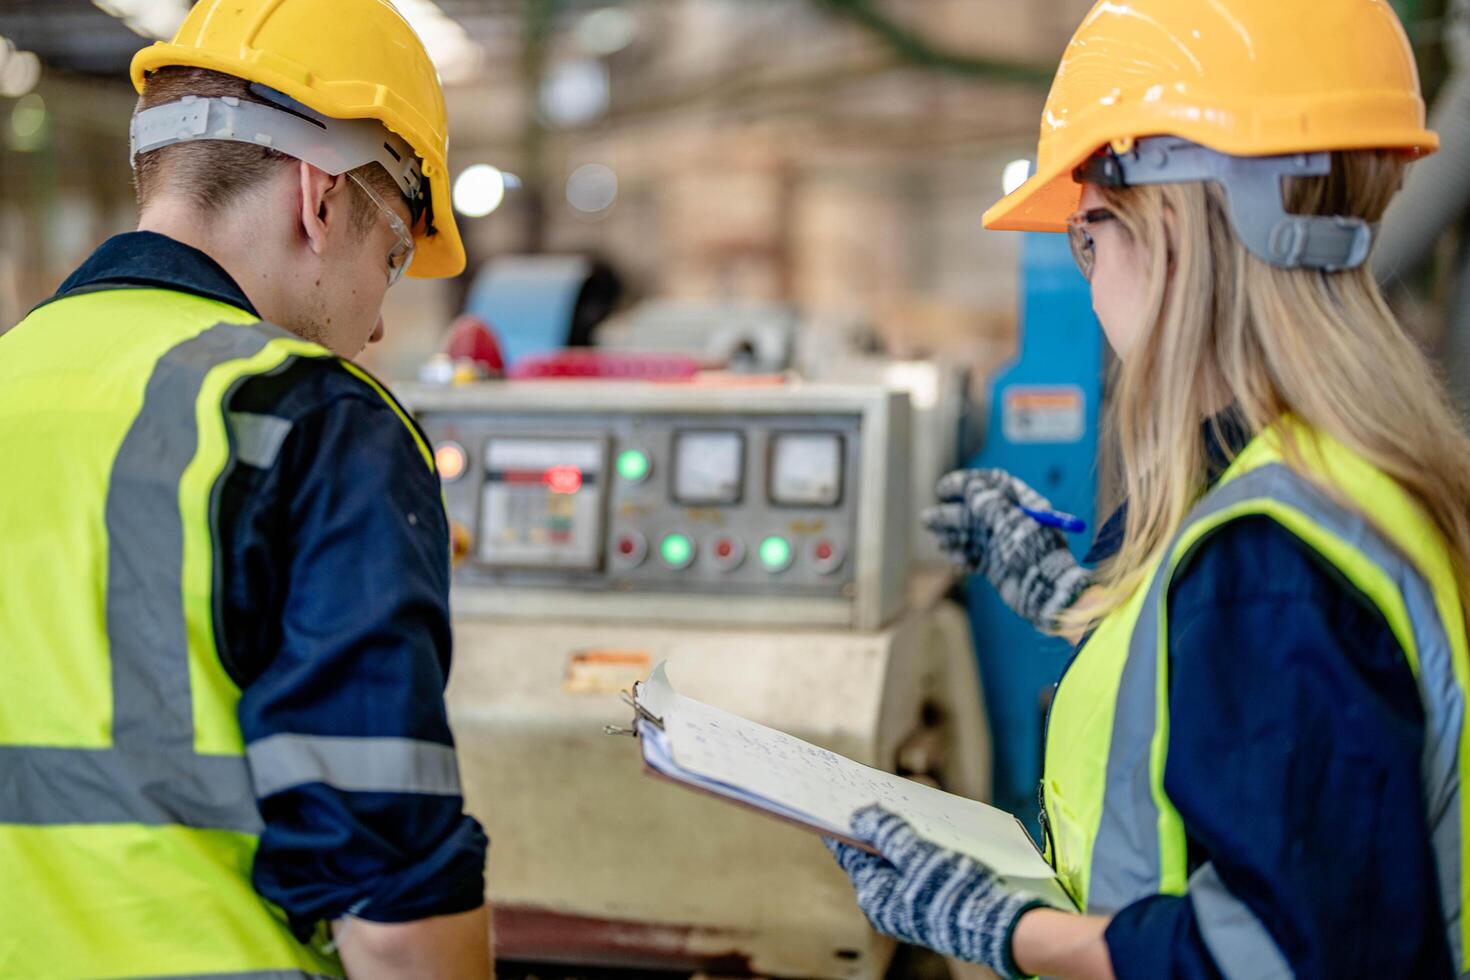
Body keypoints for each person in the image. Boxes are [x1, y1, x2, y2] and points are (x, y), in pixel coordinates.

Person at [826, 1, 1470, 977]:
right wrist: (1081, 599)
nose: (1090, 279)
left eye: (1089, 233)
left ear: (1168, 224)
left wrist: (995, 922)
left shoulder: (1272, 567)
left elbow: (1291, 954)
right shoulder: (1342, 475)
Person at [0, 1, 491, 977]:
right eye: (394, 256)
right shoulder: (313, 419)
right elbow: (391, 916)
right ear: (318, 195)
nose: (381, 324)